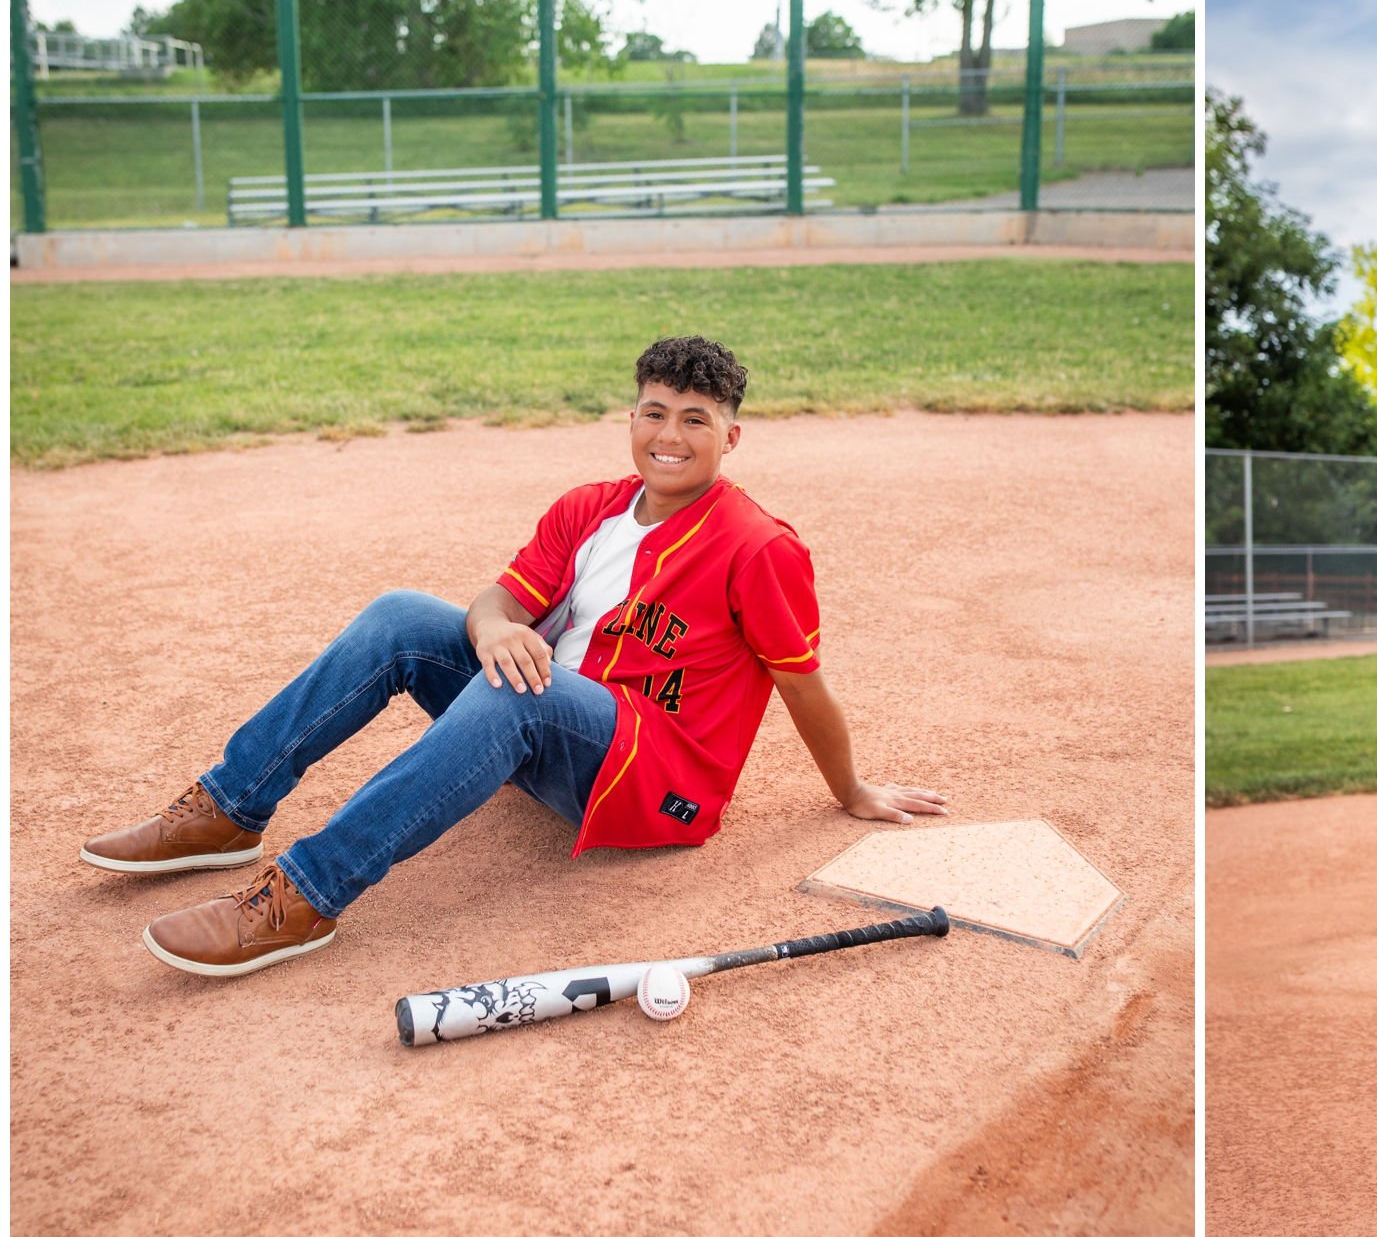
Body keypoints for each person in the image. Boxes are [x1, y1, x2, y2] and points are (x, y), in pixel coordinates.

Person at [82, 335, 947, 977]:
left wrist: (851, 789)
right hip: (548, 731)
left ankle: (305, 897)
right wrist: (493, 627)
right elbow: (500, 603)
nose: (670, 434)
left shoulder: (759, 547)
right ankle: (230, 808)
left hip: (659, 782)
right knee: (400, 617)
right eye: (655, 412)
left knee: (521, 695)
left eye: (697, 420)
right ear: (632, 417)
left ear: (731, 437)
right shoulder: (591, 507)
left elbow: (804, 685)